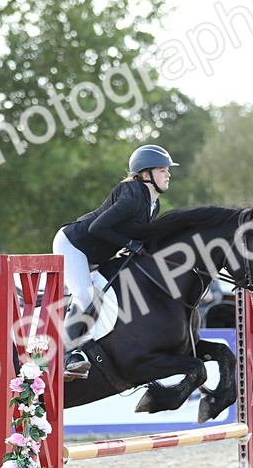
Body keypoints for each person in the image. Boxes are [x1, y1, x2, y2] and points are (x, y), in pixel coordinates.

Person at [52, 144, 178, 377]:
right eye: (162, 170)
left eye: (167, 170)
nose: (168, 174)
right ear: (145, 174)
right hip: (74, 244)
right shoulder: (131, 194)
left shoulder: (153, 204)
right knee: (86, 295)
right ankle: (67, 355)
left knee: (104, 295)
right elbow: (96, 226)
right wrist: (129, 244)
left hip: (96, 252)